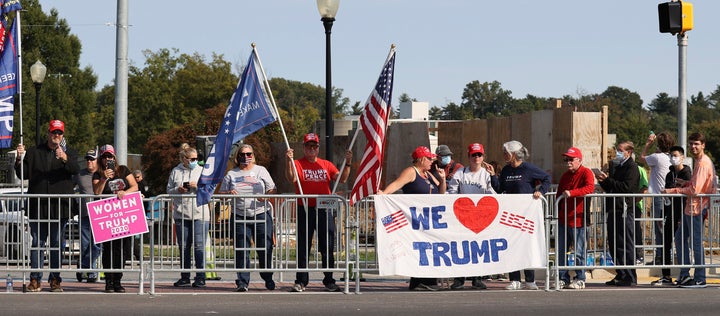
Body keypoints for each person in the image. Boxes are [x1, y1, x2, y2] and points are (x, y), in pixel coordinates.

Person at [14, 119, 80, 292]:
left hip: (60, 207)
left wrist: (64, 158)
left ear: (62, 135)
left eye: (59, 133)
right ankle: (35, 279)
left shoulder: (70, 152)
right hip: (38, 206)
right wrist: (19, 159)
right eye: (53, 132)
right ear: (48, 133)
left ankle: (55, 279)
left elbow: (75, 169)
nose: (56, 136)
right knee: (37, 242)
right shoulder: (35, 152)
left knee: (57, 243)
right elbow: (23, 174)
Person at [285, 133, 352, 292]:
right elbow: (291, 178)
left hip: (324, 208)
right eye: (309, 146)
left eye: (314, 146)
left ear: (318, 148)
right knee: (303, 245)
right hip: (305, 208)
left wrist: (347, 163)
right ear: (304, 148)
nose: (312, 149)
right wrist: (288, 160)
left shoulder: (326, 165)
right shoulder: (297, 163)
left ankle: (329, 279)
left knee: (327, 245)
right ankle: (301, 281)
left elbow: (341, 179)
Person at [378, 145, 446, 291]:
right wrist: (384, 194)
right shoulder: (411, 172)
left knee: (429, 248)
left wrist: (443, 179)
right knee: (420, 249)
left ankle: (423, 280)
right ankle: (420, 280)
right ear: (421, 159)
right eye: (429, 159)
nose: (431, 162)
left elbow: (441, 193)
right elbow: (397, 184)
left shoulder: (429, 174)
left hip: (430, 220)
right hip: (416, 219)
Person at [219, 144, 277, 292]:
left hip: (261, 214)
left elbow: (272, 189)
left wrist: (267, 195)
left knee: (265, 248)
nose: (246, 157)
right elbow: (221, 195)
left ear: (253, 155)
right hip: (240, 215)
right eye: (242, 155)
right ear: (237, 157)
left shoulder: (261, 170)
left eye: (249, 154)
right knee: (242, 249)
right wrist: (228, 193)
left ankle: (267, 277)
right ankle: (242, 282)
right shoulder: (231, 174)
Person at [663, 132, 715, 288]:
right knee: (679, 239)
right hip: (690, 208)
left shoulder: (703, 163)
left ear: (703, 145)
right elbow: (694, 185)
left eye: (697, 144)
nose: (693, 146)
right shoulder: (699, 162)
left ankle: (700, 278)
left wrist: (672, 191)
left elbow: (695, 190)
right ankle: (685, 274)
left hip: (697, 208)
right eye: (691, 143)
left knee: (696, 243)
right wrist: (685, 183)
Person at [497, 140, 550, 291]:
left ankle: (530, 279)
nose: (504, 155)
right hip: (510, 215)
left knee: (526, 246)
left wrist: (541, 191)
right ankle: (514, 280)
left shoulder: (528, 168)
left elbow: (546, 178)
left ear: (513, 154)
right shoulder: (506, 170)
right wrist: (494, 176)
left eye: (506, 153)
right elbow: (500, 189)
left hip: (526, 215)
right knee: (512, 246)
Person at [447, 143, 497, 290]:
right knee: (460, 248)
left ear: (483, 157)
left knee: (478, 248)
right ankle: (459, 279)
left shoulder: (487, 174)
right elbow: (452, 192)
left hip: (480, 216)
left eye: (479, 155)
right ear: (469, 156)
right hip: (462, 214)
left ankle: (477, 278)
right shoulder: (460, 173)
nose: (476, 157)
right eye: (474, 155)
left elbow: (493, 194)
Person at [92, 144, 139, 293]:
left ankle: (118, 280)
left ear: (114, 158)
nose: (108, 159)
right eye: (105, 157)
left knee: (121, 249)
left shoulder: (123, 170)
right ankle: (109, 280)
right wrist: (104, 178)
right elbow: (97, 192)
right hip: (106, 216)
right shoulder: (98, 173)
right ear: (101, 158)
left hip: (122, 215)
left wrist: (124, 193)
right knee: (108, 249)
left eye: (110, 156)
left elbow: (134, 186)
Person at [596, 141, 640, 287]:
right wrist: (603, 181)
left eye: (621, 150)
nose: (618, 152)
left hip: (625, 209)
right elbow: (612, 187)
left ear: (629, 152)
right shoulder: (618, 166)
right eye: (617, 150)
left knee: (625, 243)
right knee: (614, 243)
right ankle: (620, 273)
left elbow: (625, 187)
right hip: (614, 208)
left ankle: (630, 275)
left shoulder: (632, 167)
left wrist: (609, 180)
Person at [167, 143, 211, 288]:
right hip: (181, 213)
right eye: (191, 159)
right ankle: (185, 277)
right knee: (184, 247)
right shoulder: (176, 171)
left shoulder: (202, 170)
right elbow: (168, 190)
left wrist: (197, 187)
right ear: (184, 159)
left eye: (196, 159)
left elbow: (209, 190)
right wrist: (177, 189)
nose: (194, 162)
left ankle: (200, 276)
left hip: (200, 214)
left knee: (199, 246)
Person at [555, 147, 595, 290]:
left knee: (579, 251)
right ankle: (562, 277)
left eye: (571, 159)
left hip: (579, 219)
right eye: (566, 159)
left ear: (579, 160)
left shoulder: (586, 172)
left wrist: (572, 193)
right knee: (561, 251)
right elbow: (558, 194)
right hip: (564, 219)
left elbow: (590, 188)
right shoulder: (565, 176)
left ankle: (580, 278)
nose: (568, 162)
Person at [651, 145, 691, 286]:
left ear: (682, 157)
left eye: (675, 155)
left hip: (682, 213)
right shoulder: (669, 173)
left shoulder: (687, 173)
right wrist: (663, 214)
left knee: (681, 244)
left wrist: (672, 191)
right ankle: (666, 276)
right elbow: (666, 194)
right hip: (669, 212)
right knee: (665, 243)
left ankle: (684, 274)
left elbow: (685, 192)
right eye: (671, 156)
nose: (673, 158)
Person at [639, 131, 674, 266]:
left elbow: (642, 158)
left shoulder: (657, 157)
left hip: (659, 196)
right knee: (664, 228)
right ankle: (663, 255)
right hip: (667, 196)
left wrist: (648, 144)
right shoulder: (669, 157)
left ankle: (662, 257)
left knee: (659, 228)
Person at [74, 148, 102, 283]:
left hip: (101, 214)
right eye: (87, 159)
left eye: (92, 159)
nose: (89, 162)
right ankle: (91, 271)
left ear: (98, 160)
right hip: (85, 214)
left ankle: (83, 266)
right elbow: (69, 187)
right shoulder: (79, 174)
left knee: (98, 245)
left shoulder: (103, 174)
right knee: (85, 244)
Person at [634, 164, 648, 264]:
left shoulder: (640, 169)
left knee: (636, 229)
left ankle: (639, 256)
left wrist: (635, 201)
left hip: (636, 205)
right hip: (624, 205)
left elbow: (644, 188)